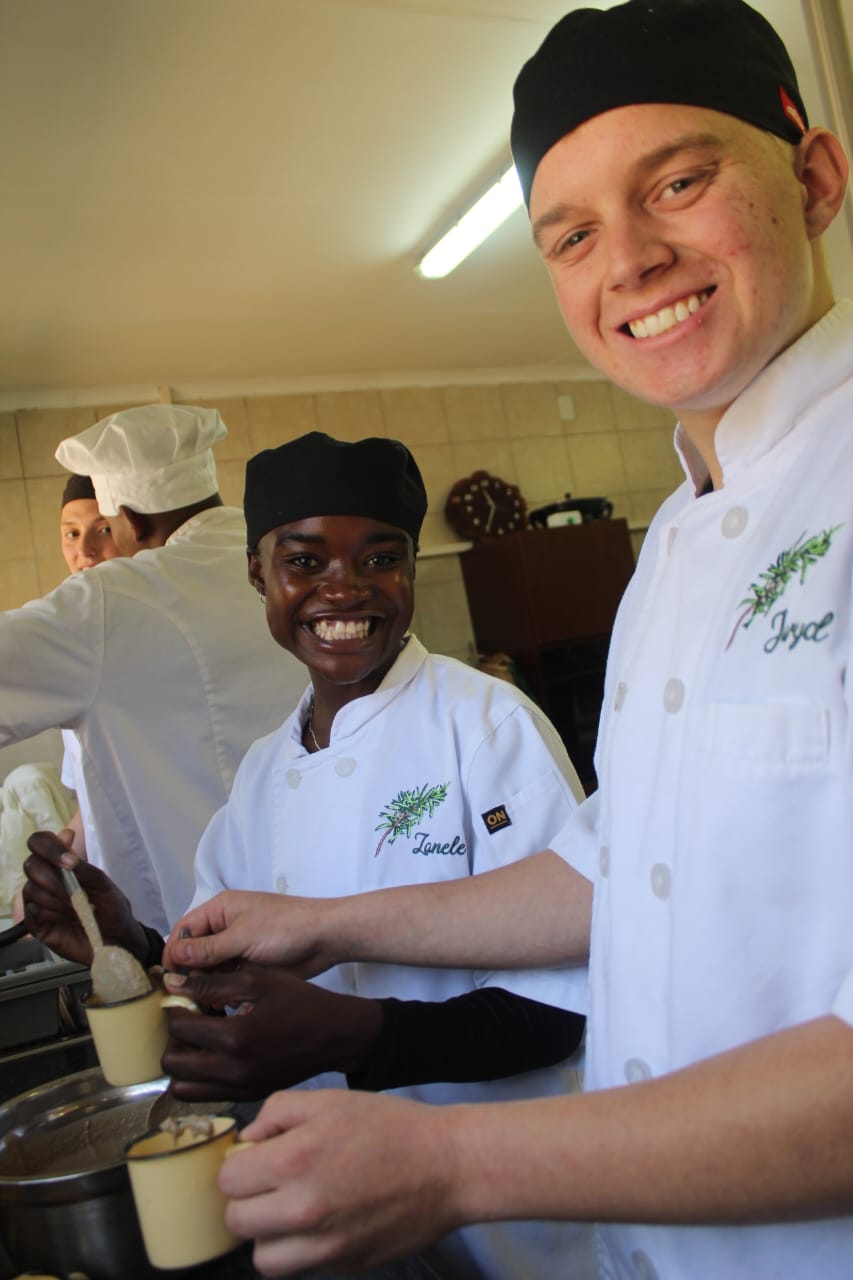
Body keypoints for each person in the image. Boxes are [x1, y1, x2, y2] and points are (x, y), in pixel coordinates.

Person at [160, 2, 853, 1277]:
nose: (628, 261)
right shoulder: (673, 549)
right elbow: (610, 867)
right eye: (572, 234)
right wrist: (322, 922)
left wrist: (454, 1161)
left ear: (814, 178)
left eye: (678, 183)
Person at [24, 432, 595, 1280]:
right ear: (258, 575)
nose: (344, 587)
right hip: (342, 1200)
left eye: (381, 558)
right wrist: (134, 945)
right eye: (303, 561)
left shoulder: (484, 725)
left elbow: (566, 1007)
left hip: (513, 1212)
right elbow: (225, 984)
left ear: (412, 568)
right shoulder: (263, 776)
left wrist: (355, 1036)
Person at [3, 403, 306, 934]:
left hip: (201, 926)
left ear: (133, 519)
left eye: (106, 526)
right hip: (325, 892)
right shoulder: (290, 557)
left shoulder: (111, 602)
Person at [57, 472, 123, 863]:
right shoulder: (69, 642)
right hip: (109, 877)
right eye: (72, 533)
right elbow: (94, 794)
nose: (85, 550)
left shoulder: (160, 634)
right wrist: (64, 861)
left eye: (103, 530)